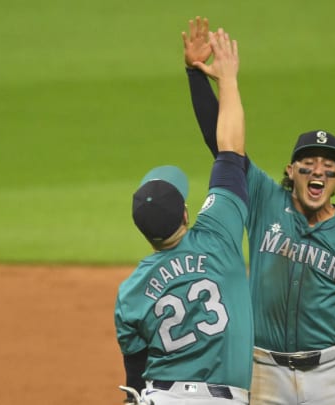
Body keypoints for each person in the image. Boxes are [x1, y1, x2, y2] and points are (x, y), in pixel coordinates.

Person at [182, 17, 335, 405]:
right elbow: (224, 145)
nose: (318, 170)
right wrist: (197, 76)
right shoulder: (263, 197)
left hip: (329, 379)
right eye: (308, 162)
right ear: (290, 171)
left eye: (329, 166)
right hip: (262, 371)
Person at [114, 28, 252, 405]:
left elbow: (135, 379)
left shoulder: (130, 293)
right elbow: (231, 149)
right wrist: (226, 80)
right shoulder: (219, 233)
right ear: (187, 213)